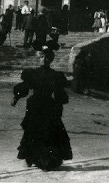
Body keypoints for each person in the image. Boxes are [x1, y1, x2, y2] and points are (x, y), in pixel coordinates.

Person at [11, 43, 72, 171]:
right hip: (35, 105)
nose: (45, 60)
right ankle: (35, 157)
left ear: (51, 60)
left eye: (48, 58)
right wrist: (16, 98)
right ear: (39, 58)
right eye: (43, 57)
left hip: (49, 106)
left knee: (49, 132)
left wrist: (59, 104)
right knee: (34, 131)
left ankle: (46, 160)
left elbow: (59, 93)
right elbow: (25, 87)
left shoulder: (56, 76)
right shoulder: (33, 74)